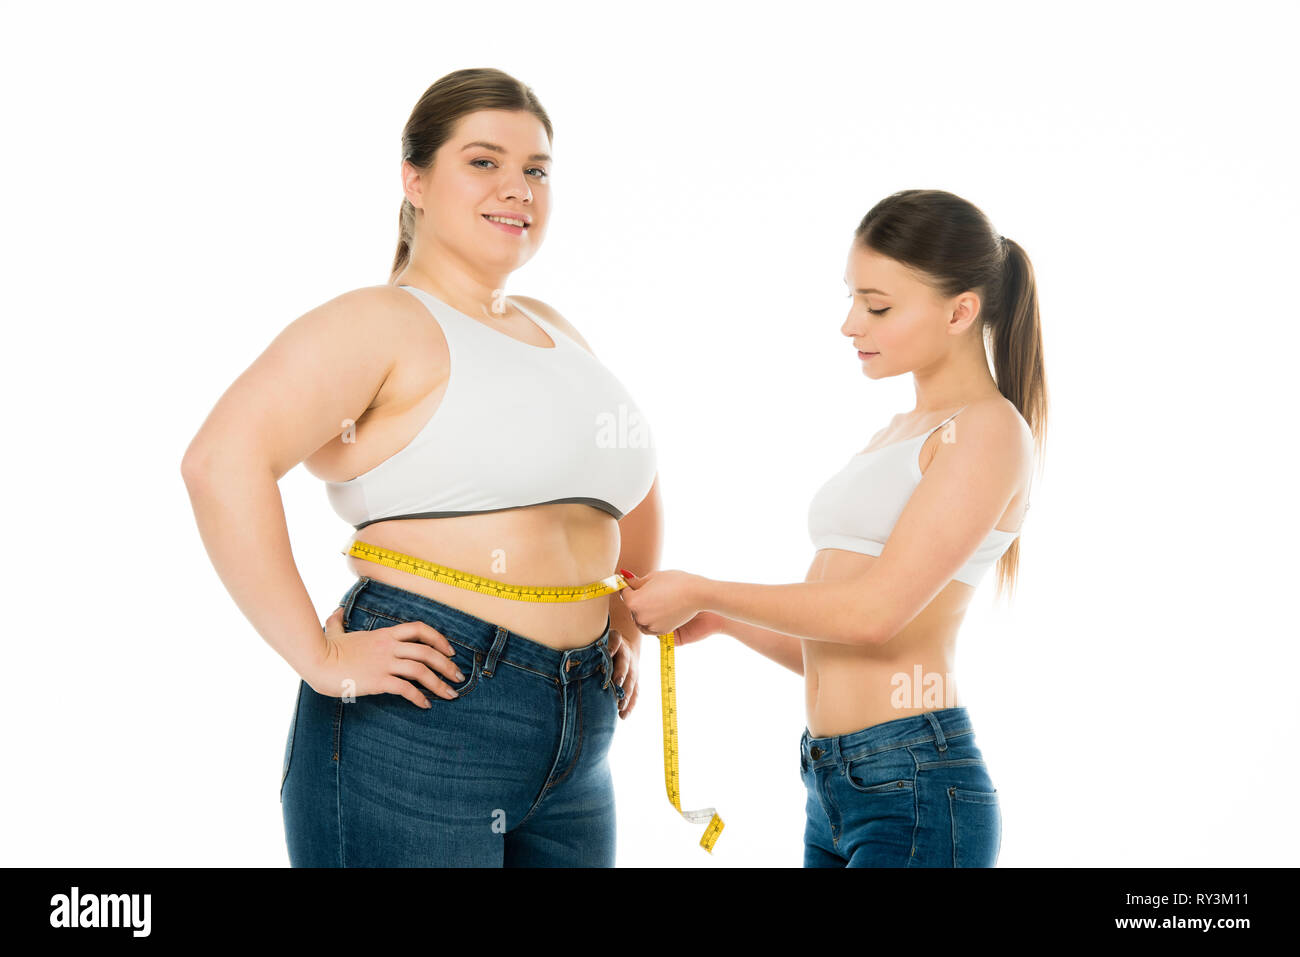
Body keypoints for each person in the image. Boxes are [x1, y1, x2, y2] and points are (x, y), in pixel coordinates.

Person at [180, 68, 661, 867]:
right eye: (484, 161)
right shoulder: (381, 320)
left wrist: (626, 624)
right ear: (415, 178)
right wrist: (319, 654)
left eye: (536, 169)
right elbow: (220, 461)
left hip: (581, 718)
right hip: (428, 704)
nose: (518, 187)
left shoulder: (555, 328)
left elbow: (627, 483)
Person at [620, 188, 1048, 867]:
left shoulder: (989, 432)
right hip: (835, 782)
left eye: (877, 306)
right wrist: (723, 620)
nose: (851, 324)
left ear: (960, 311)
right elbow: (839, 647)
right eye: (852, 298)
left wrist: (710, 588)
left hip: (913, 784)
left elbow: (874, 613)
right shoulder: (898, 432)